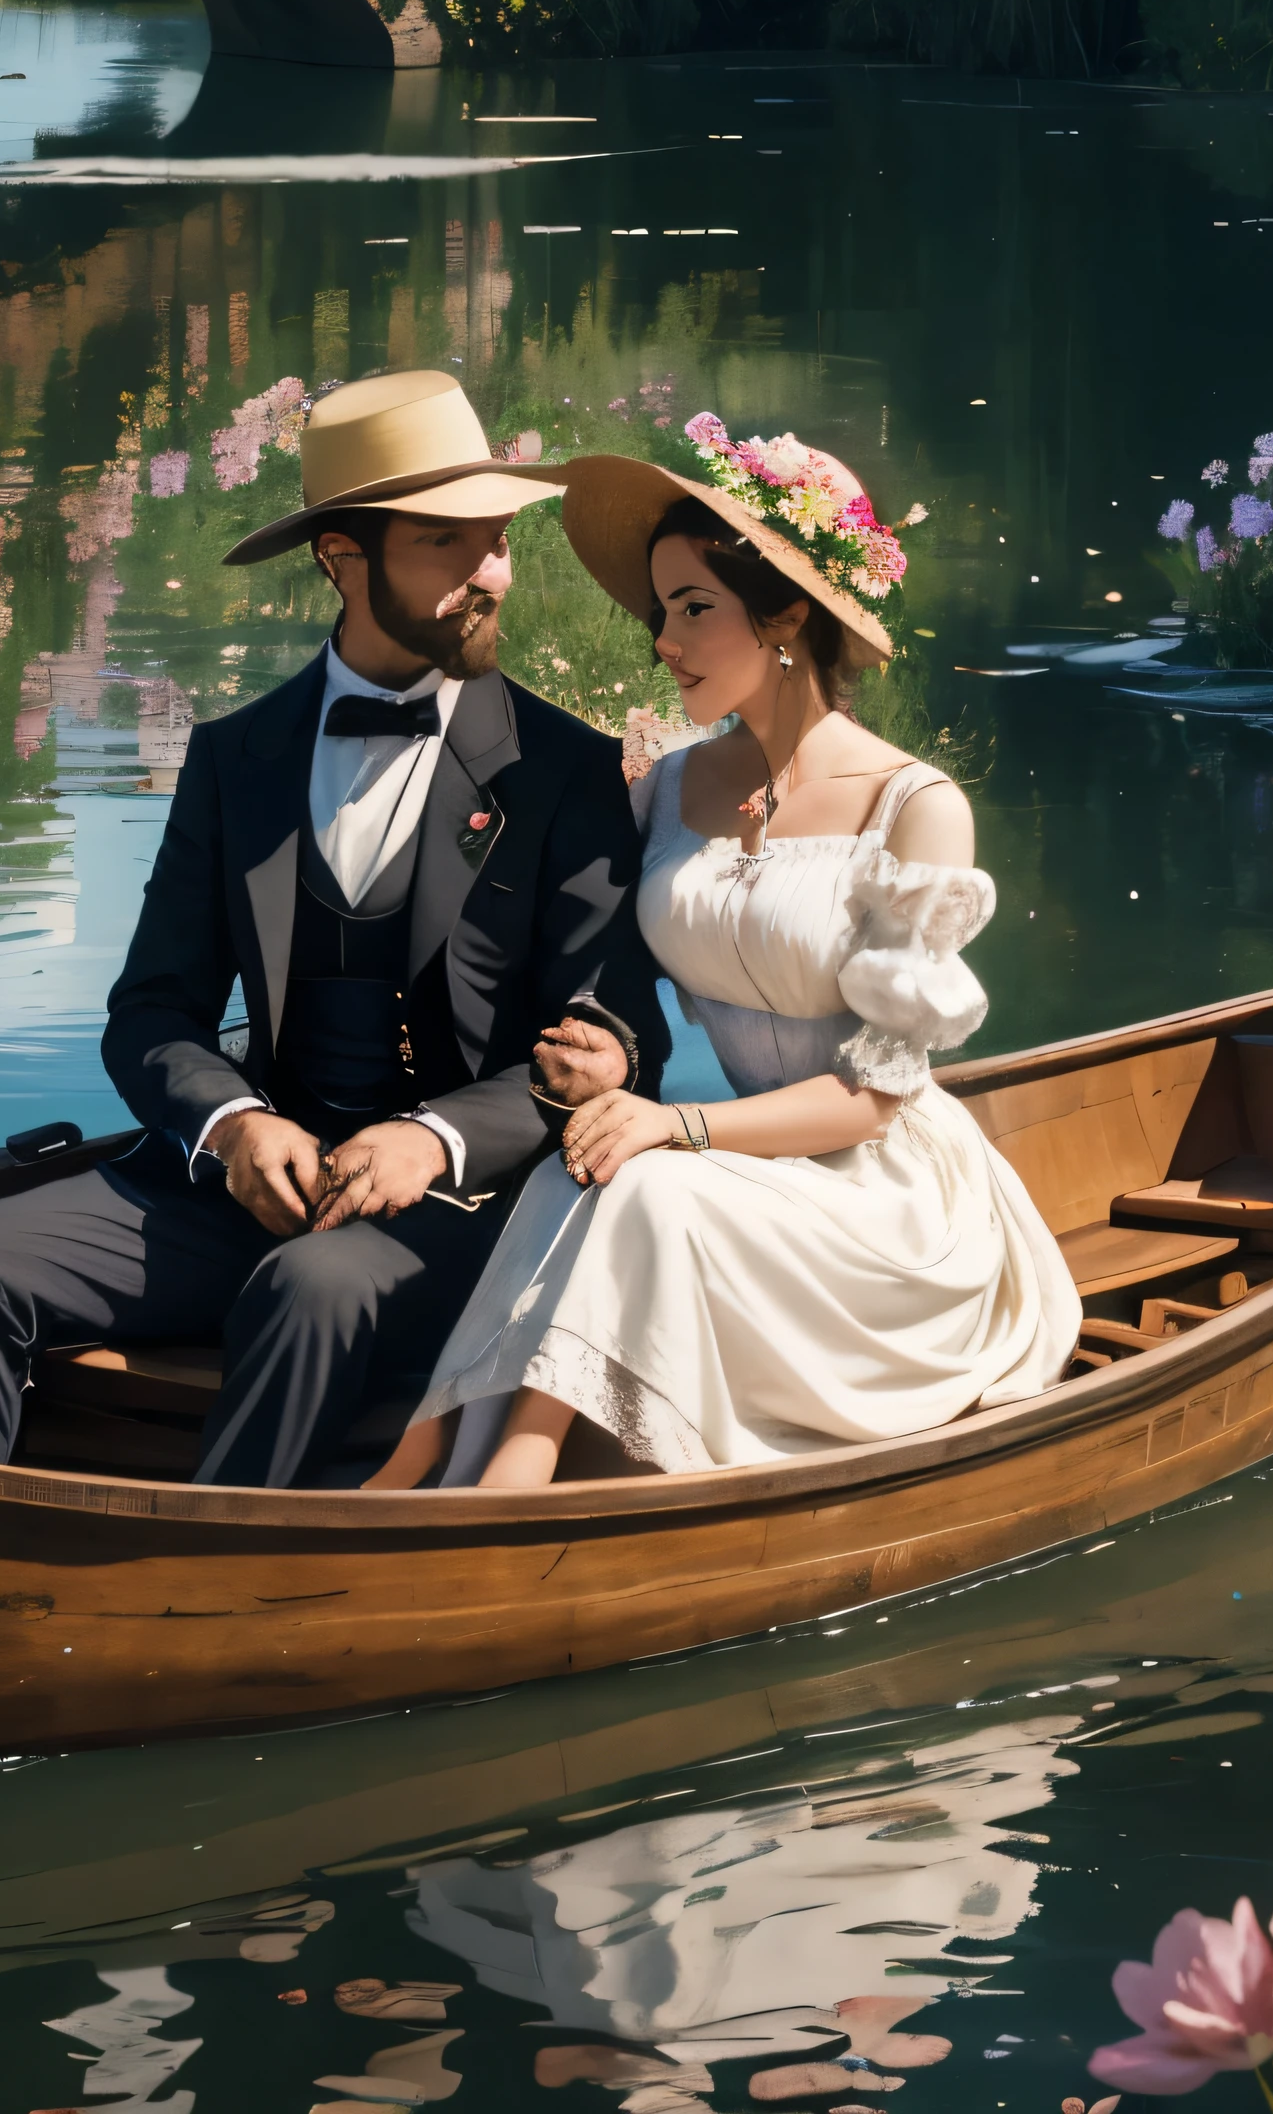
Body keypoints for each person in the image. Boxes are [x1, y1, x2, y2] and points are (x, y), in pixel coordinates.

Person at [0, 370, 666, 1489]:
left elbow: (614, 1040)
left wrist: (433, 1136)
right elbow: (151, 1013)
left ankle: (193, 1603)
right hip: (249, 1185)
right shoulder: (233, 758)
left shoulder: (566, 772)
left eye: (497, 541)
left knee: (314, 1289)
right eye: (449, 542)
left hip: (465, 1208)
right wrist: (236, 1126)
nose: (490, 572)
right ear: (342, 556)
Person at [369, 415, 1079, 1492]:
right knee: (586, 1164)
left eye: (695, 608)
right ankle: (427, 1454)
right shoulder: (663, 792)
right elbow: (596, 984)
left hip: (884, 1205)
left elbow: (876, 1100)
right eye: (662, 612)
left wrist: (679, 1123)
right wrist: (602, 1067)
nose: (664, 640)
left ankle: (507, 1477)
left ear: (787, 614)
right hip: (741, 1173)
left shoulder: (915, 809)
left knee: (646, 1178)